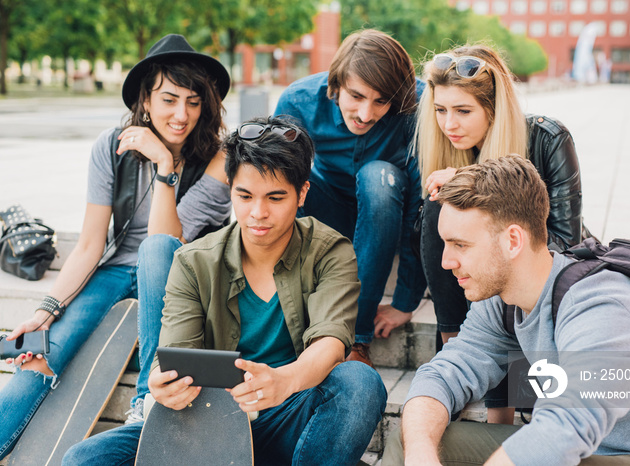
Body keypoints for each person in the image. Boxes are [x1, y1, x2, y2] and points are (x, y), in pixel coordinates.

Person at [63, 116, 387, 466]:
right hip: (206, 423)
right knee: (85, 458)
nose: (258, 213)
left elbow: (332, 343)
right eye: (244, 196)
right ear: (230, 186)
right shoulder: (194, 262)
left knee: (359, 382)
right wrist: (162, 385)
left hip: (289, 415)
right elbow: (174, 354)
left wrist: (283, 379)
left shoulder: (329, 251)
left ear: (302, 193)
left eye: (275, 198)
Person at [0, 34, 232, 458]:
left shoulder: (219, 158)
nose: (182, 114)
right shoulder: (111, 145)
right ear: (145, 101)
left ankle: (146, 408)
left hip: (177, 276)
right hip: (113, 272)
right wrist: (45, 310)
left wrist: (164, 167)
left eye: (194, 102)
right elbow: (90, 244)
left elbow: (167, 244)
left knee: (153, 254)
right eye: (168, 99)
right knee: (40, 358)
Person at [383, 155, 630, 465]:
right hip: (586, 447)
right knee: (413, 439)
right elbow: (445, 372)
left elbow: (563, 430)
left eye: (460, 245)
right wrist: (420, 454)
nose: (446, 262)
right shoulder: (502, 301)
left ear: (512, 241)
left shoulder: (602, 309)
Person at [415, 44, 590, 422]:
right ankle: (457, 357)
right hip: (478, 311)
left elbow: (565, 245)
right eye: (441, 110)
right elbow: (440, 254)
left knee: (498, 269)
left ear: (494, 110)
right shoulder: (448, 153)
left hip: (547, 283)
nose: (449, 125)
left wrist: (467, 183)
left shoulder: (547, 138)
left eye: (463, 111)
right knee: (437, 209)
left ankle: (501, 414)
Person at [274, 29, 426, 367]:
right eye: (356, 96)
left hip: (387, 204)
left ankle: (356, 339)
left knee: (378, 177)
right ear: (336, 84)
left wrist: (405, 300)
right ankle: (289, 322)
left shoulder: (419, 106)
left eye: (380, 101)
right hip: (328, 204)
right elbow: (269, 189)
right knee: (286, 180)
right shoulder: (297, 101)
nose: (365, 114)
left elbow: (421, 206)